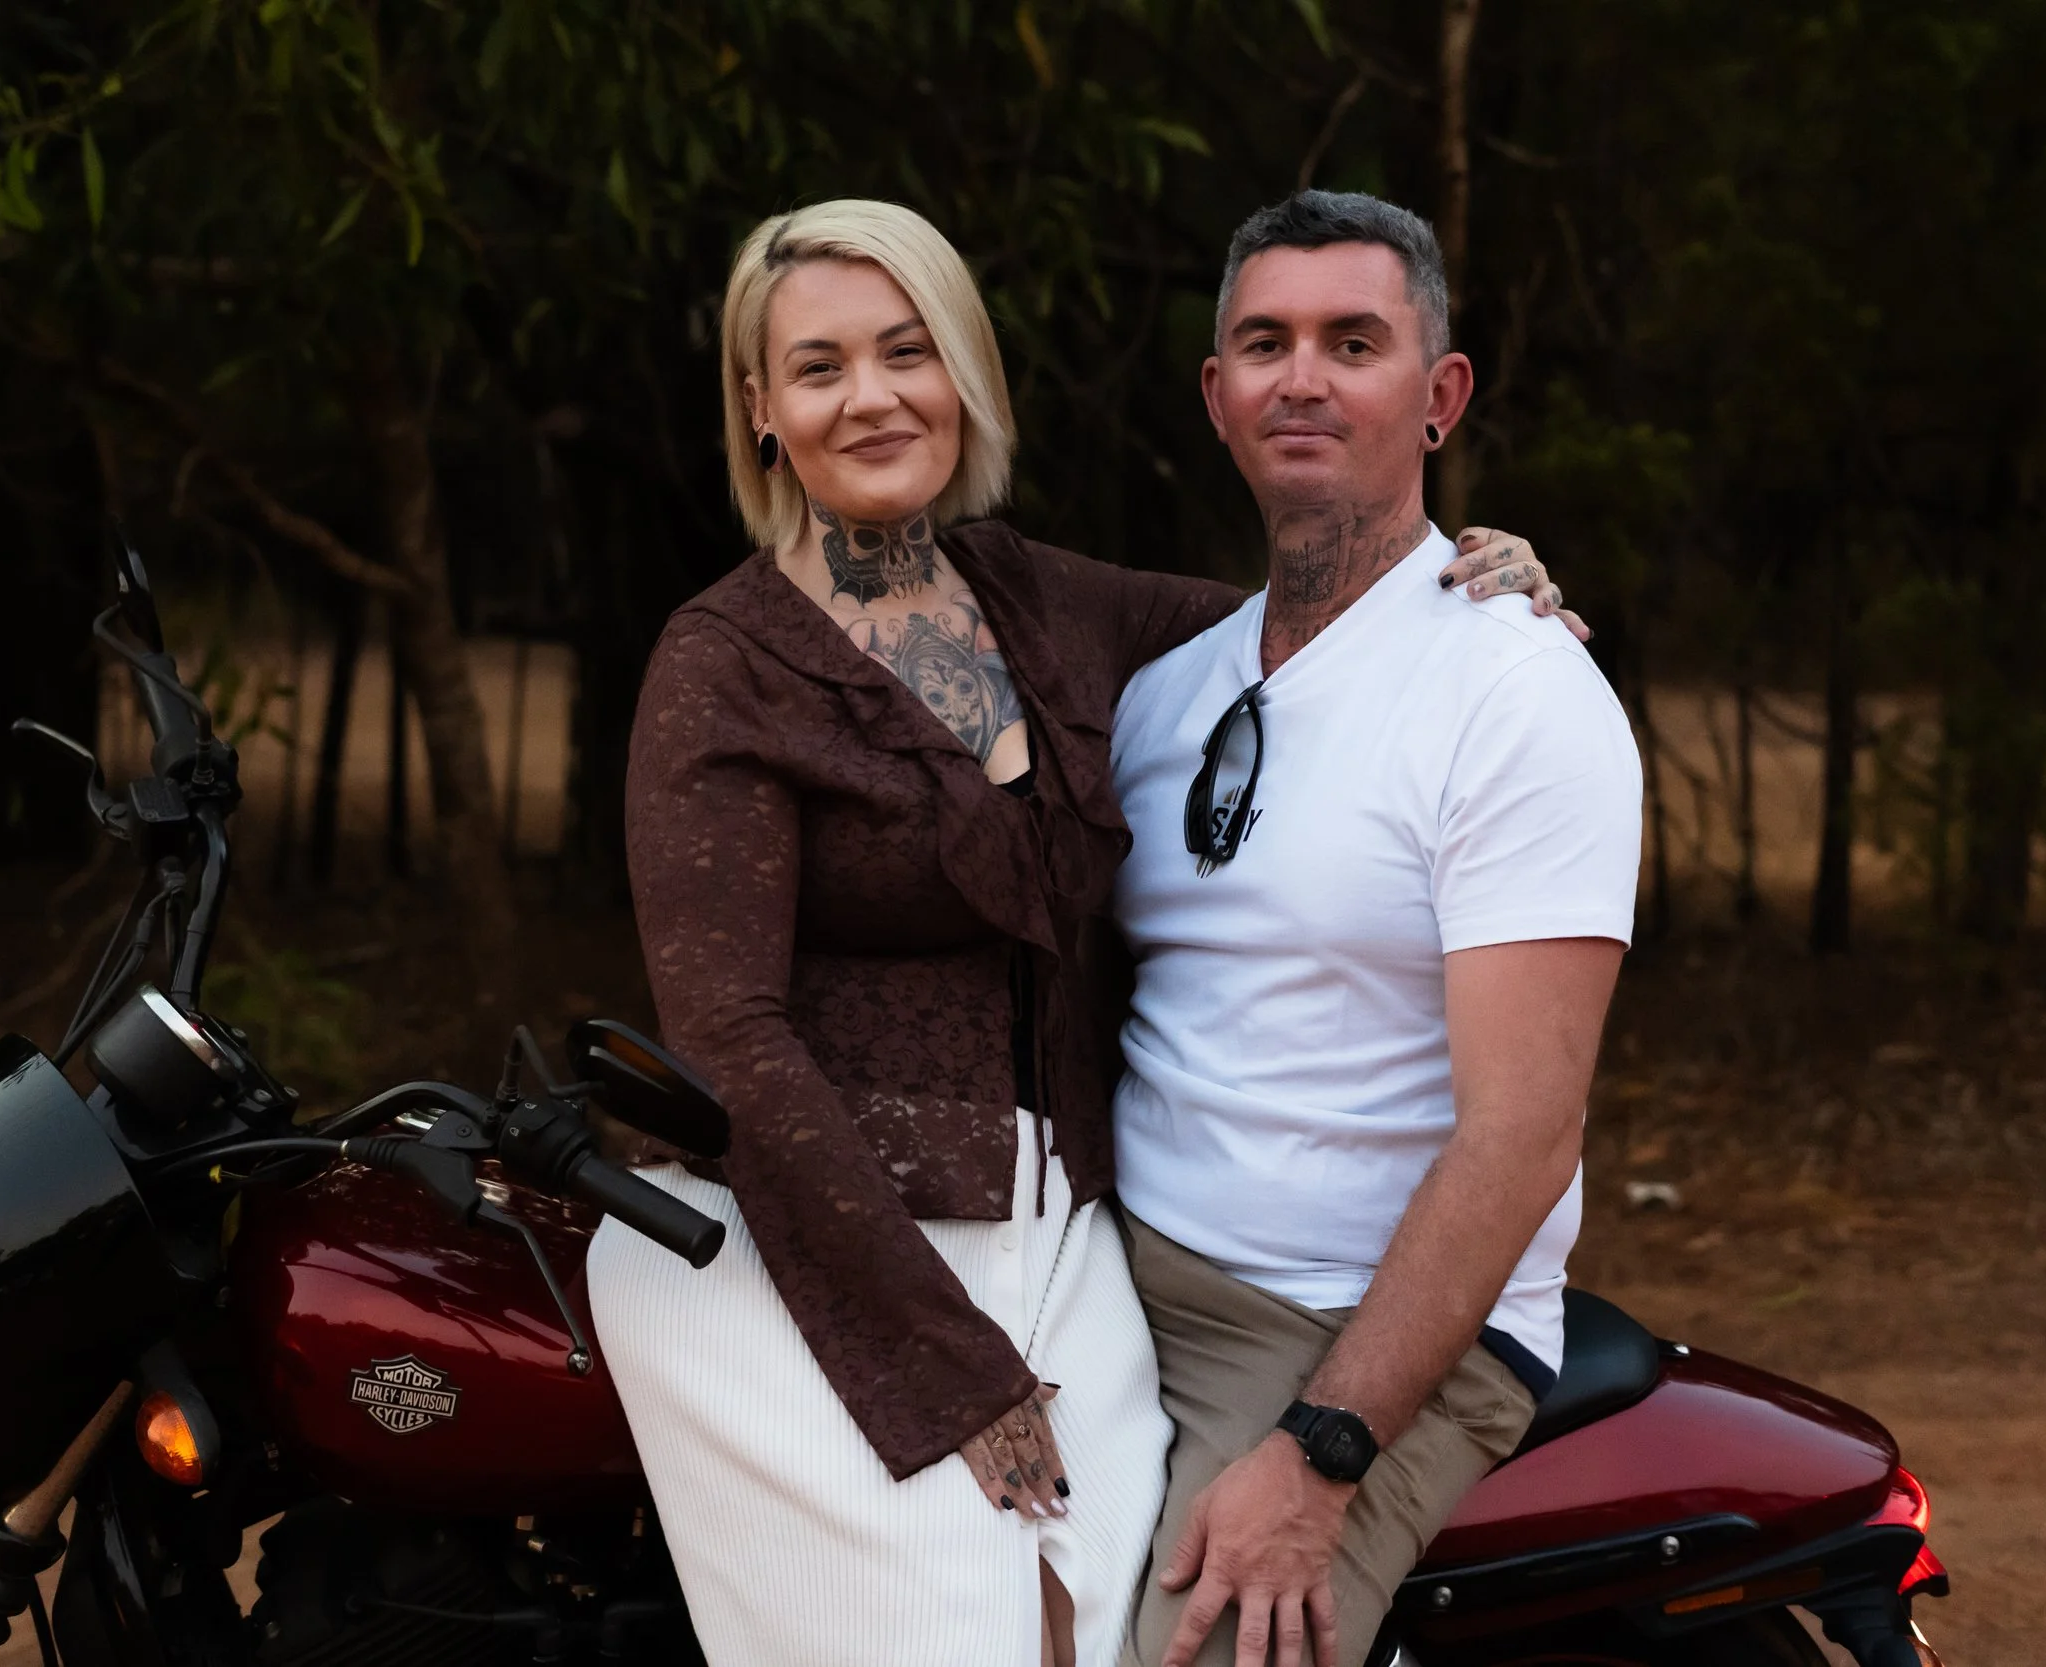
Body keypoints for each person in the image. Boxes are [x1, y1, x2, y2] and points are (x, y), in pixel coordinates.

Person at [589, 198, 1575, 1667]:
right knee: (964, 1642)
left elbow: (1327, 619)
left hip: (1061, 1230)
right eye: (818, 367)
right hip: (799, 1242)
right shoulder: (722, 664)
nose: (871, 396)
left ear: (963, 373)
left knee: (1111, 1633)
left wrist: (1486, 573)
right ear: (762, 409)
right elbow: (731, 1038)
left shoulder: (1039, 599)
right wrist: (951, 1367)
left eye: (906, 351)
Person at [1108, 190, 1645, 1667]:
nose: (1304, 376)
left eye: (1355, 341)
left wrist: (1320, 1448)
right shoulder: (1162, 689)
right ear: (1217, 396)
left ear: (1439, 395)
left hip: (1348, 1322)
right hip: (1119, 1276)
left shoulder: (1515, 691)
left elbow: (1525, 1131)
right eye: (1265, 342)